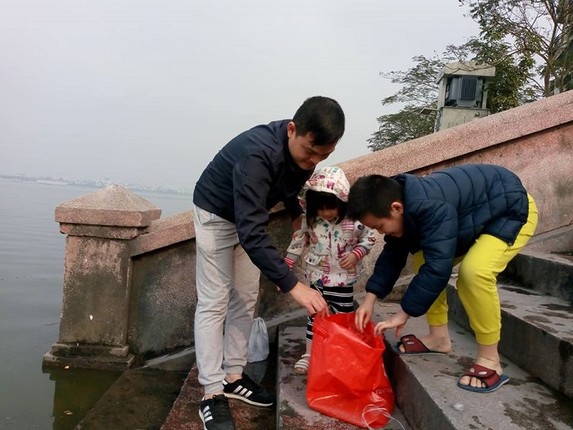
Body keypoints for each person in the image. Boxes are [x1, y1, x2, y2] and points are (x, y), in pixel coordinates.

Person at [192, 96, 345, 430]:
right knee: (214, 302)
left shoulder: (303, 152)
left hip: (248, 219)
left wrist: (295, 213)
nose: (312, 162)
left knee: (246, 297)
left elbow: (289, 182)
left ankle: (233, 376)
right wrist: (294, 286)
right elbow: (250, 232)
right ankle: (211, 392)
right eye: (310, 152)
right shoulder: (257, 154)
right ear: (292, 130)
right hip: (216, 215)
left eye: (323, 156)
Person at [347, 163, 538, 394]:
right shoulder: (401, 201)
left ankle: (490, 359)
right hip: (477, 213)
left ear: (396, 208)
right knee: (423, 259)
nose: (381, 233)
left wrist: (403, 314)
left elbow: (439, 268)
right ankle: (438, 338)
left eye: (379, 226)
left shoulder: (428, 206)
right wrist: (370, 299)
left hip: (511, 209)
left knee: (473, 273)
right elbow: (392, 256)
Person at [283, 166, 376, 374]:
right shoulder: (312, 220)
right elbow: (298, 241)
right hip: (317, 278)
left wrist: (356, 254)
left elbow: (370, 237)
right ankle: (310, 353)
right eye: (320, 208)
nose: (326, 213)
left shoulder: (355, 221)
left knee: (342, 317)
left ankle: (340, 349)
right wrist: (287, 264)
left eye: (331, 207)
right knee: (314, 316)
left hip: (343, 280)